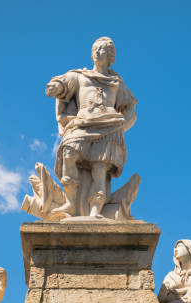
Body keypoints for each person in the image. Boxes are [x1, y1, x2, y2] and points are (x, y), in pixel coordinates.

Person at [45, 36, 137, 218]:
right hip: (83, 123)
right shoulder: (80, 76)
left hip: (110, 126)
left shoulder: (117, 82)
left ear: (110, 55)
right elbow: (62, 83)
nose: (96, 52)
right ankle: (71, 204)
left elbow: (131, 106)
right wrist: (56, 87)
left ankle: (96, 210)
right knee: (69, 155)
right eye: (95, 48)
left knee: (100, 169)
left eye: (101, 49)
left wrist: (122, 124)